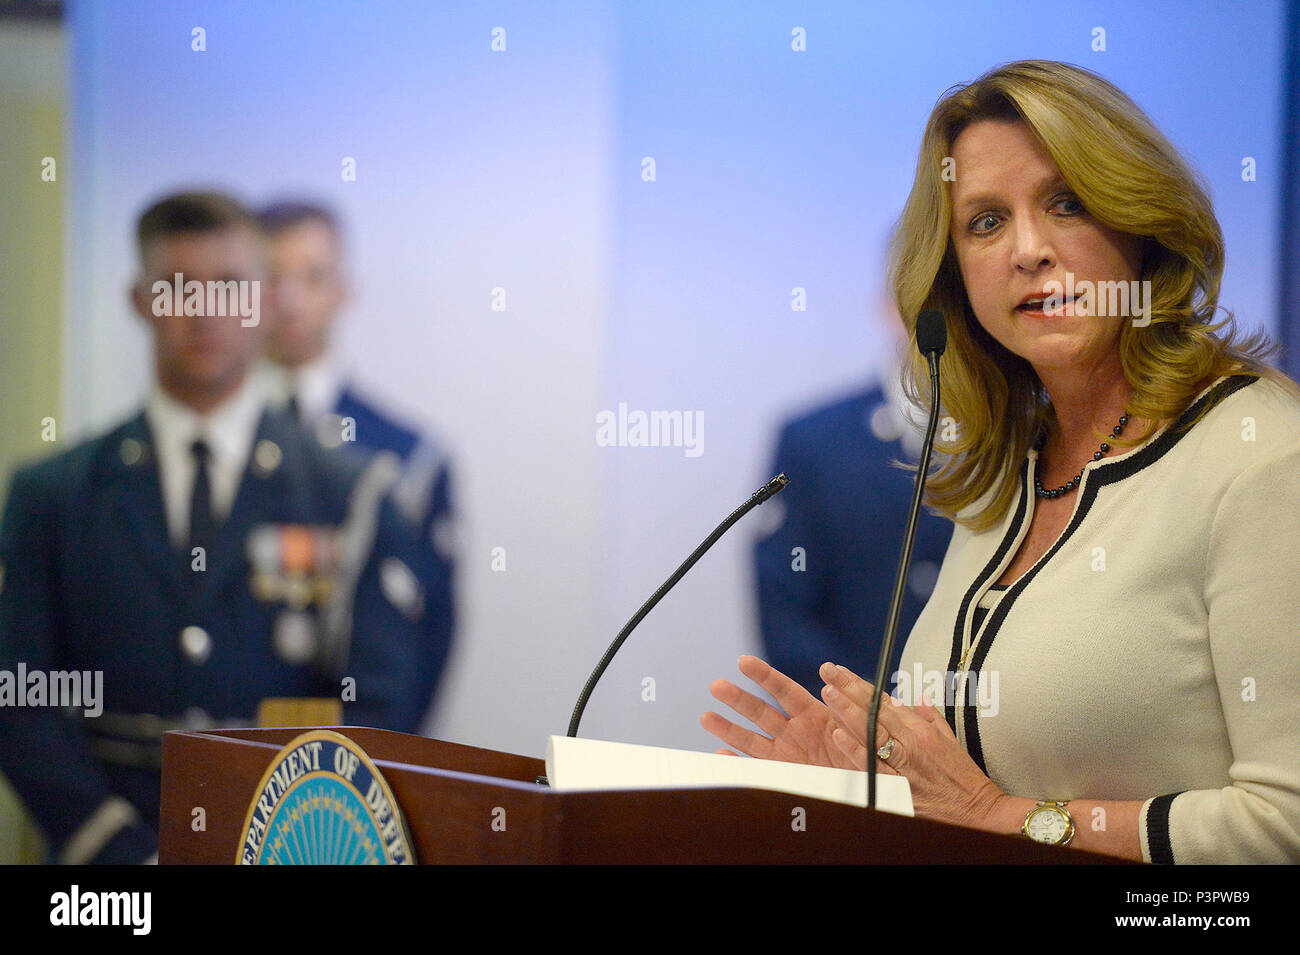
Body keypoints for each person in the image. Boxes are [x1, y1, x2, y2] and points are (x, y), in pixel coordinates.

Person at [703, 60, 1300, 864]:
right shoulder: (1009, 470)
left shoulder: (1260, 457)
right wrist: (854, 784)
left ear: (1142, 222)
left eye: (1067, 203)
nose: (1028, 250)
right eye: (985, 221)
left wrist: (1002, 815)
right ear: (954, 277)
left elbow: (1285, 822)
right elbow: (965, 779)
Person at [0, 192, 436, 864]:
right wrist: (115, 847)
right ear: (140, 301)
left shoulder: (349, 494)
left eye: (229, 287)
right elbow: (21, 697)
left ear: (264, 300)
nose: (202, 310)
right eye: (177, 287)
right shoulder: (55, 495)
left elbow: (377, 706)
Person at [256, 200, 455, 726]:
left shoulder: (406, 458)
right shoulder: (207, 447)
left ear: (344, 290)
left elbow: (430, 631)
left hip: (350, 766)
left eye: (313, 277)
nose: (291, 298)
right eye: (272, 277)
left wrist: (381, 772)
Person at [754, 338, 953, 696]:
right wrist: (852, 714)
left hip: (996, 733)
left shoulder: (1028, 429)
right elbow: (784, 600)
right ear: (891, 300)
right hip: (848, 729)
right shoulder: (813, 439)